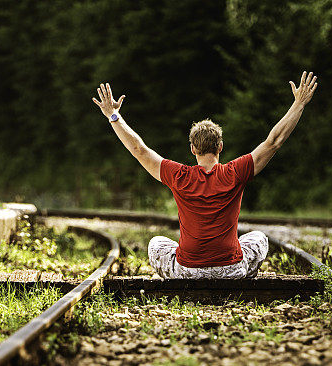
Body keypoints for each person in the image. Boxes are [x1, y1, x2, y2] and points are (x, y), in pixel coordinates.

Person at [92, 71, 317, 279]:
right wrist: (299, 103)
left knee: (156, 244)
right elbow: (274, 142)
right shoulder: (235, 172)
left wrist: (113, 115)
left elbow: (139, 149)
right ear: (220, 146)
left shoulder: (178, 175)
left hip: (187, 270)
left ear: (192, 149)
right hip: (230, 270)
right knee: (259, 238)